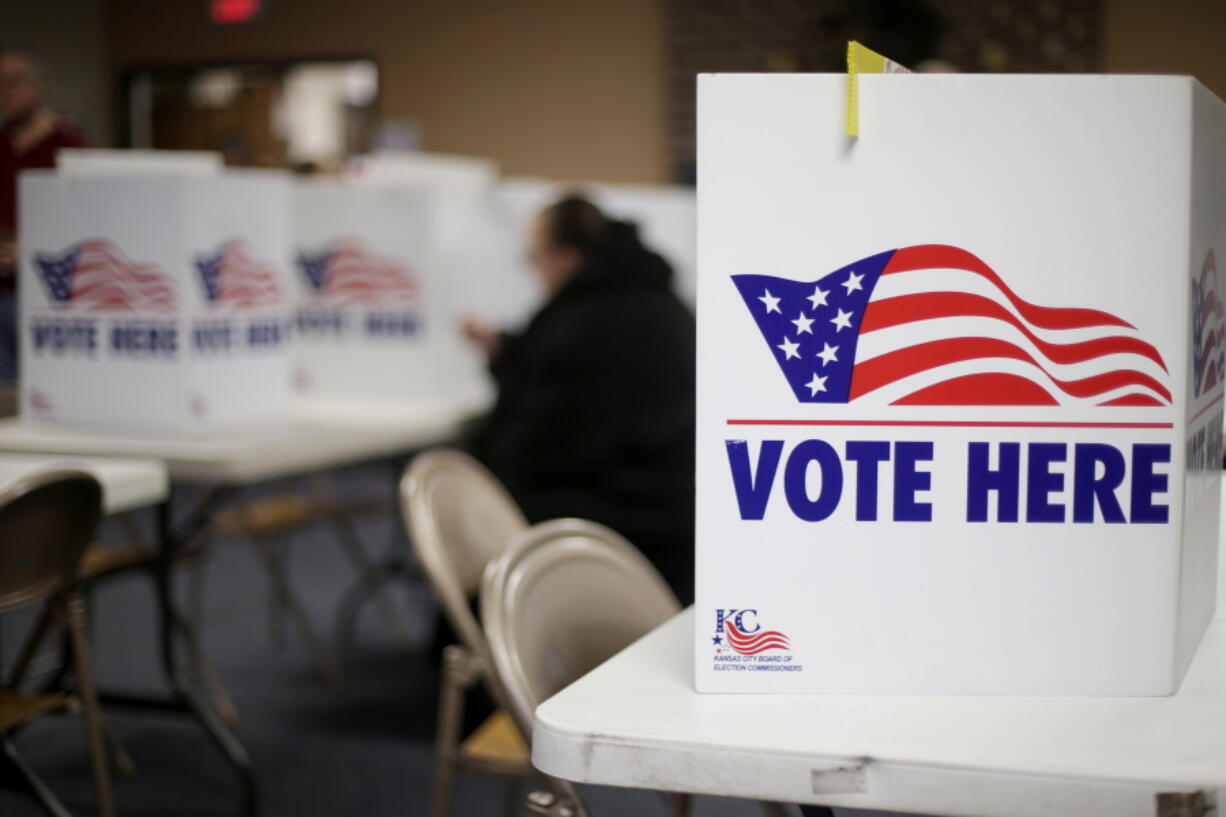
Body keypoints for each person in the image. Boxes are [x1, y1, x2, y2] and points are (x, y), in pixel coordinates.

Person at [463, 195, 696, 603]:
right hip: (672, 510)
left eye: (533, 258)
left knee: (479, 495)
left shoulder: (585, 325)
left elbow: (535, 446)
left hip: (629, 522)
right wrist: (506, 350)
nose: (534, 273)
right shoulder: (657, 302)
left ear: (566, 259)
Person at [0, 46, 87, 382]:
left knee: (46, 389)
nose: (6, 91)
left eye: (14, 81)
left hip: (47, 298)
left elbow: (83, 218)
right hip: (2, 289)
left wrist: (32, 246)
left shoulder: (68, 145)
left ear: (38, 86)